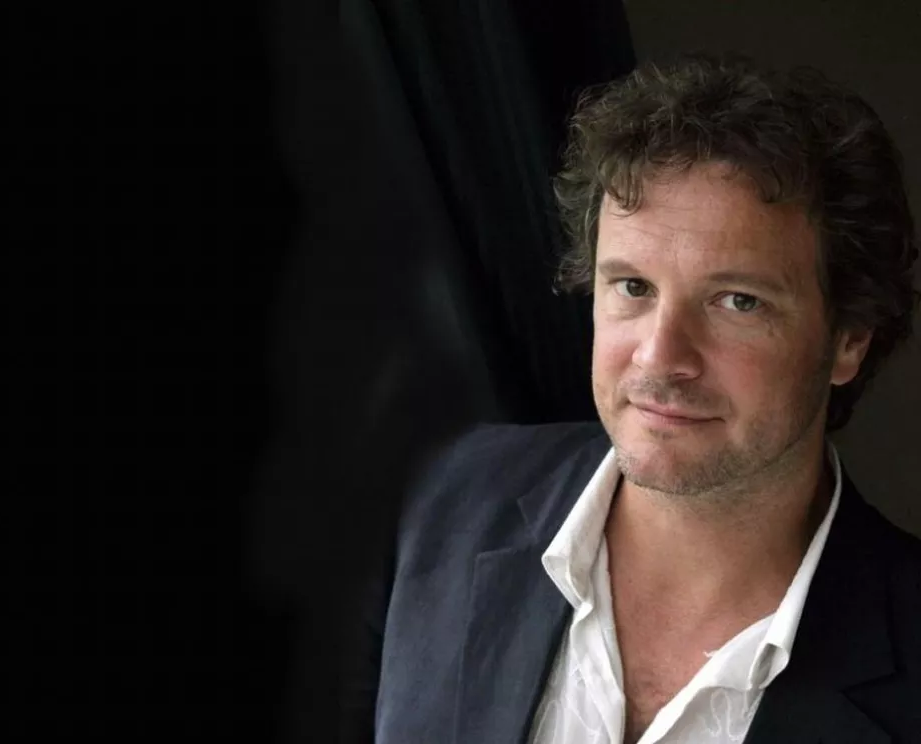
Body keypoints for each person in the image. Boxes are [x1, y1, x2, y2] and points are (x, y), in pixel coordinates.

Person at [345, 53, 920, 744]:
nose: (659, 357)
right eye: (633, 287)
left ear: (850, 339)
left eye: (738, 301)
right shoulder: (434, 500)